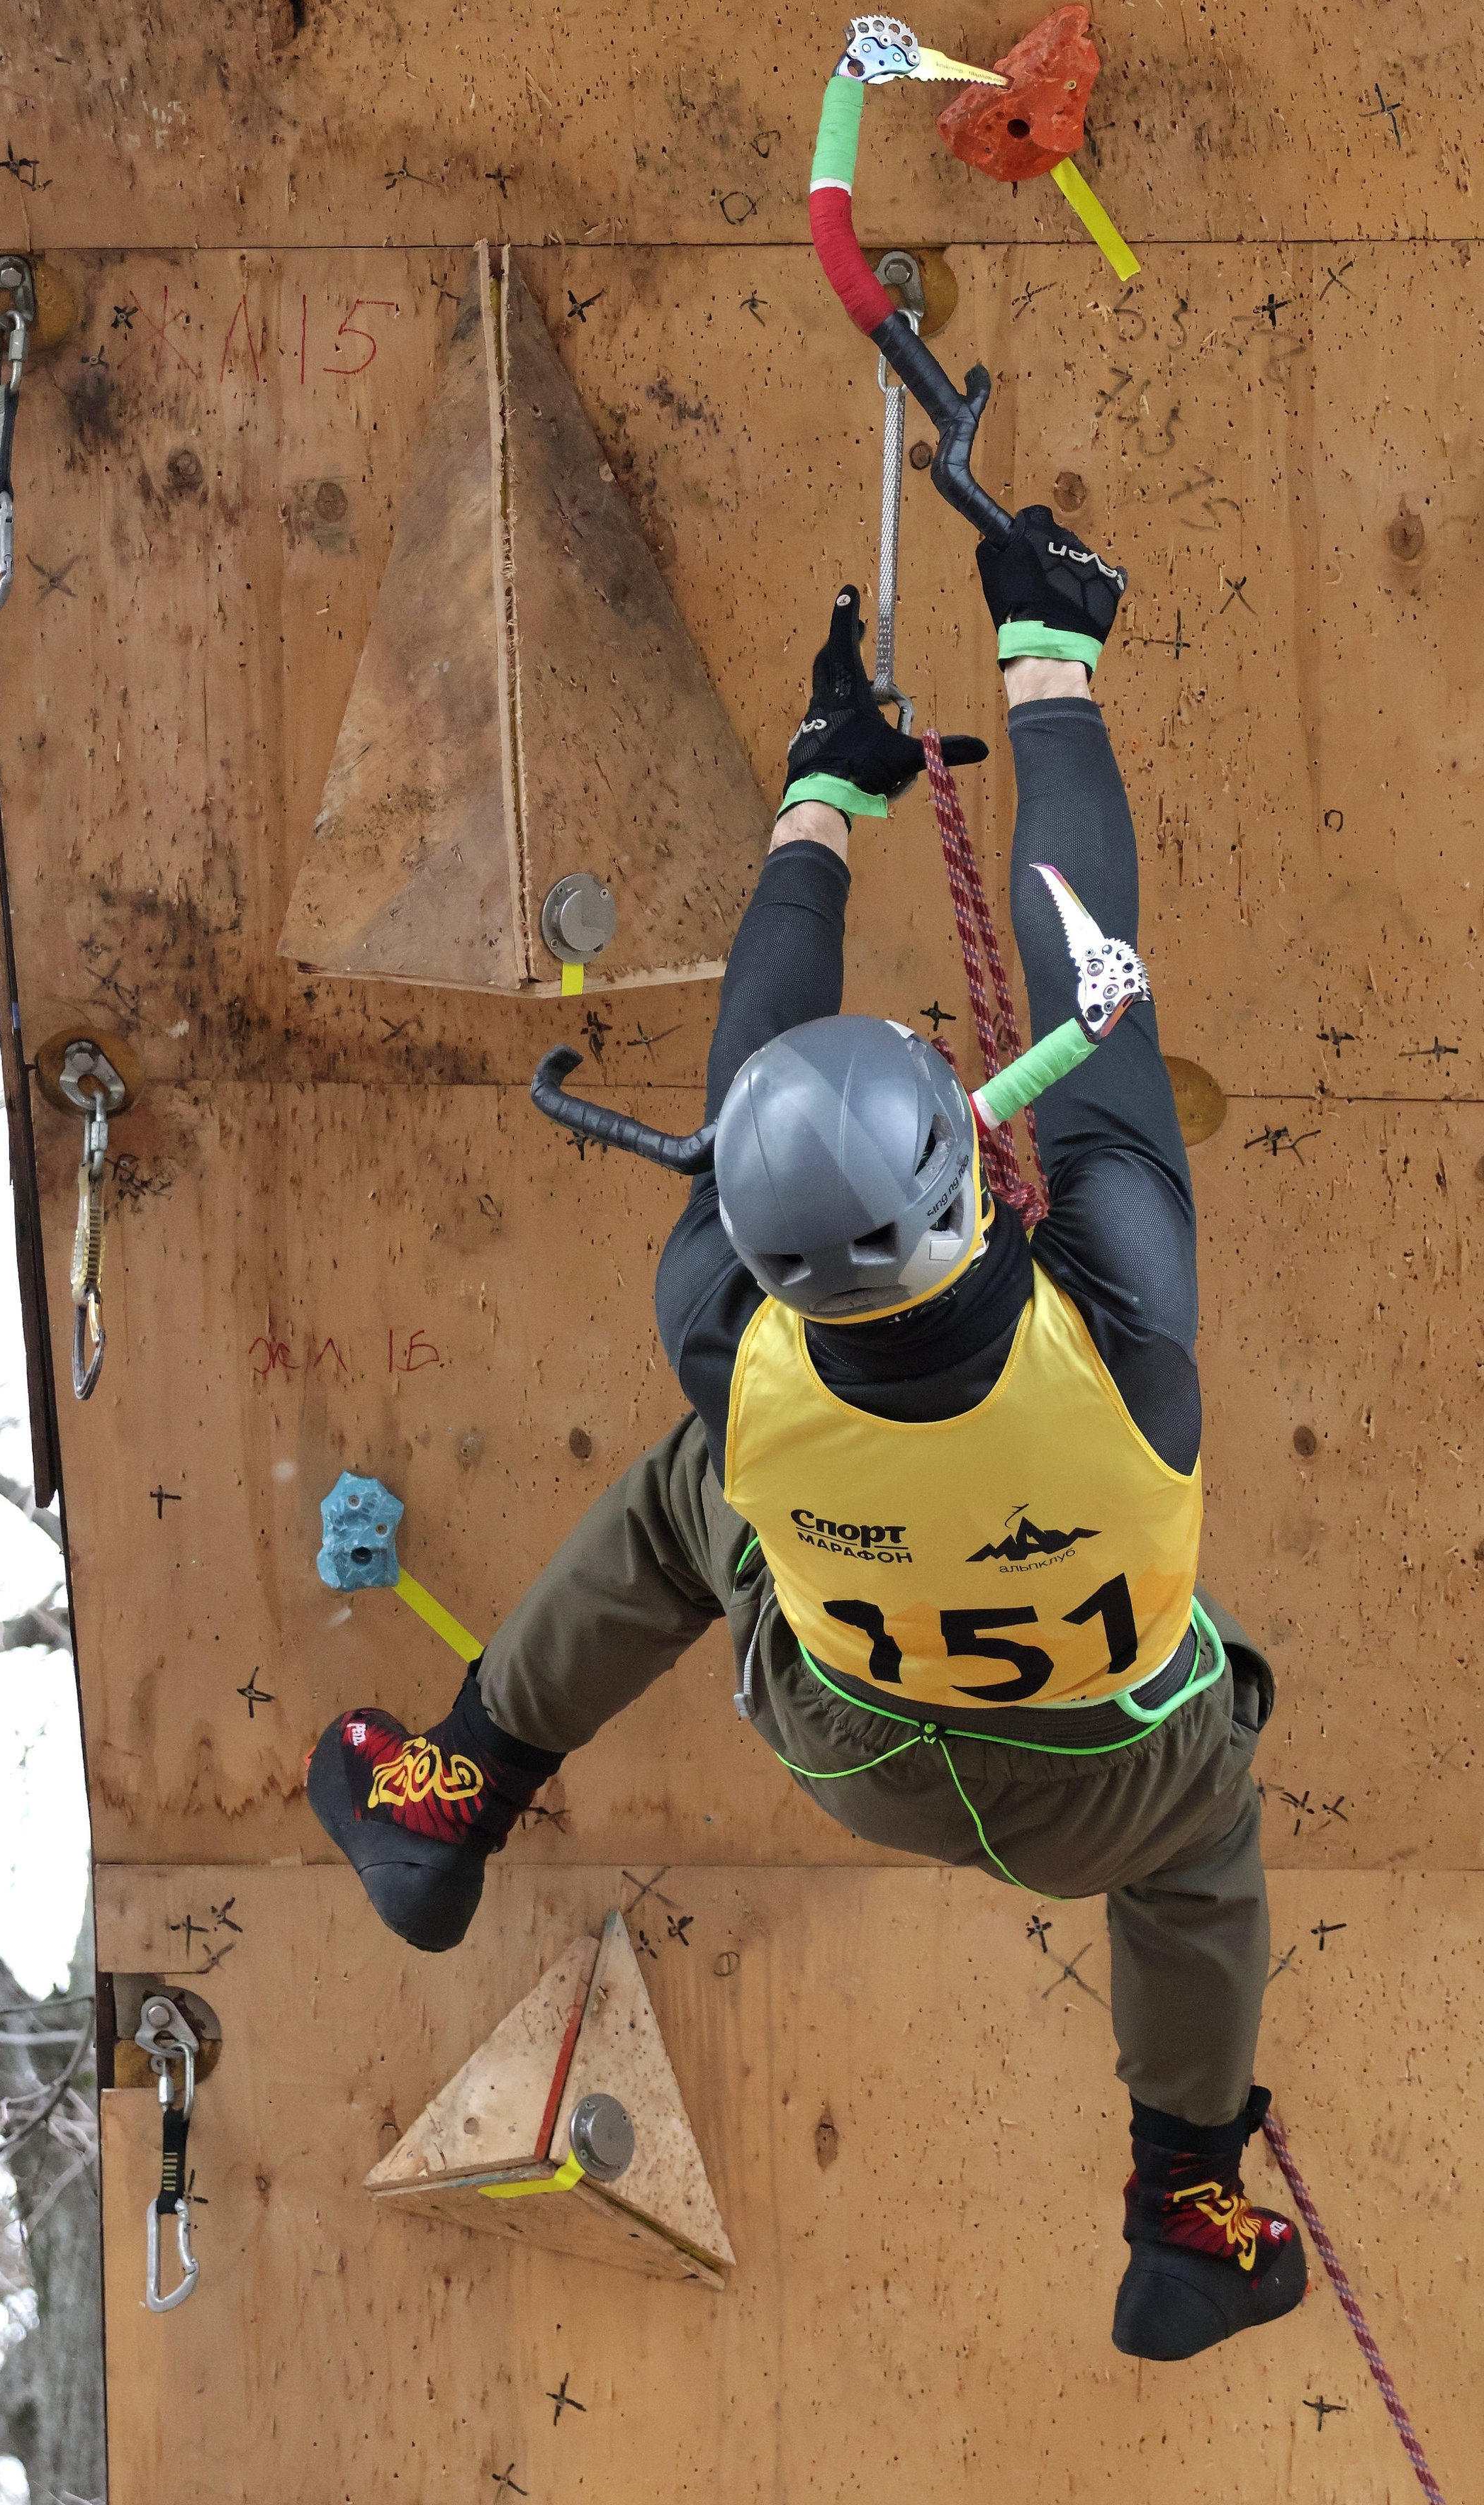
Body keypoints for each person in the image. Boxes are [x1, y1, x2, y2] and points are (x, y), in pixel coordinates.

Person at [308, 505, 1306, 2363]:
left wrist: (825, 795)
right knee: (1202, 1844)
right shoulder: (1128, 1324)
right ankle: (1187, 2189)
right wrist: (1049, 663)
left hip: (852, 1745)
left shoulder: (728, 1340)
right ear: (971, 1172)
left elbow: (749, 1055)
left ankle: (460, 1786)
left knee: (702, 1499)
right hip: (1110, 1787)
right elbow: (1091, 935)